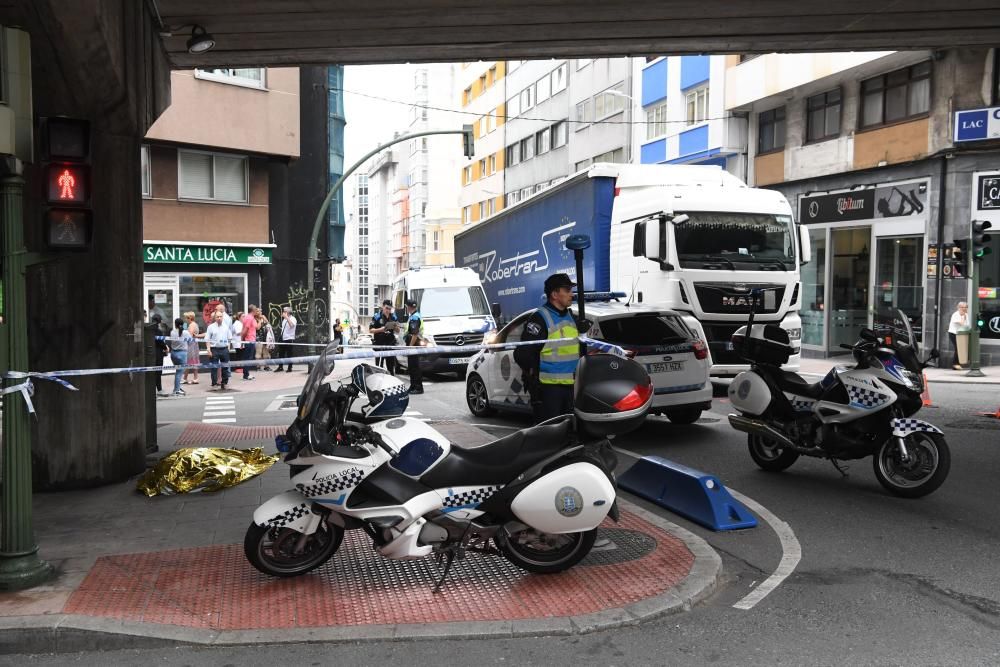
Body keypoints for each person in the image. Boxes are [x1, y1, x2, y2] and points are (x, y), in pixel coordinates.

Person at [513, 273, 581, 423]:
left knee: (567, 435)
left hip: (570, 388)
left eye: (571, 290)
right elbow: (522, 354)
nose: (572, 294)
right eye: (567, 290)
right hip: (548, 391)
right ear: (555, 294)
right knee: (549, 436)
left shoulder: (570, 317)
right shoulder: (540, 318)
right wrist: (533, 375)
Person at [205, 309, 233, 390]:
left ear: (223, 317)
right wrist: (208, 349)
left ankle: (224, 383)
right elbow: (207, 339)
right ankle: (214, 384)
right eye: (217, 317)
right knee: (214, 367)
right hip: (214, 349)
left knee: (225, 367)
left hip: (224, 349)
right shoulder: (210, 327)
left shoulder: (226, 326)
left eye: (220, 316)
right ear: (215, 318)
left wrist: (228, 348)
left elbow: (230, 338)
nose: (219, 318)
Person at [370, 300, 400, 375]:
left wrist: (396, 327)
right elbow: (371, 330)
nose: (388, 310)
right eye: (386, 308)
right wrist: (381, 329)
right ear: (383, 306)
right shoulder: (377, 316)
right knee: (379, 368)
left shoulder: (393, 317)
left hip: (390, 345)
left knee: (391, 368)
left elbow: (398, 331)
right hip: (380, 345)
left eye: (390, 309)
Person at [404, 299, 424, 394]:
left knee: (415, 367)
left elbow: (415, 334)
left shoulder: (414, 317)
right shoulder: (414, 315)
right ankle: (413, 386)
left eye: (406, 307)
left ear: (408, 307)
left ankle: (418, 387)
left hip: (414, 344)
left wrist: (410, 346)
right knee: (412, 367)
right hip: (414, 343)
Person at [168, 317, 192, 396]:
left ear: (175, 324)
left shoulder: (172, 332)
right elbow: (190, 341)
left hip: (173, 354)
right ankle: (176, 390)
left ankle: (177, 387)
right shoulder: (185, 332)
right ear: (183, 324)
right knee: (179, 372)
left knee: (178, 372)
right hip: (182, 354)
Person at [150, 313, 170, 396]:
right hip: (158, 354)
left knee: (151, 372)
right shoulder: (158, 331)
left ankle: (152, 390)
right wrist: (166, 347)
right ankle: (159, 389)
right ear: (159, 321)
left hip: (150, 354)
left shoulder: (148, 330)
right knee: (158, 372)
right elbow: (160, 342)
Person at [948, 301, 971, 370]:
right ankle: (955, 364)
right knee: (958, 348)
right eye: (962, 307)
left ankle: (958, 363)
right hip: (954, 333)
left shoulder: (966, 315)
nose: (964, 309)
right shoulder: (956, 314)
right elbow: (962, 323)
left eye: (966, 307)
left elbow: (968, 325)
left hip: (961, 334)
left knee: (961, 348)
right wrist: (963, 317)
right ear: (958, 307)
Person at [182, 311, 202, 385]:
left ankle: (186, 378)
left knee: (189, 361)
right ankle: (194, 378)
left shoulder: (191, 325)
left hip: (191, 345)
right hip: (194, 344)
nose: (185, 320)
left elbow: (189, 336)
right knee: (194, 361)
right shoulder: (195, 324)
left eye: (186, 318)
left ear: (189, 318)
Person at [239, 306, 258, 380]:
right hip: (249, 340)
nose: (257, 311)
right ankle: (246, 375)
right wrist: (242, 341)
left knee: (247, 357)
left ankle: (246, 374)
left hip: (249, 340)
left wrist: (242, 341)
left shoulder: (249, 317)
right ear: (253, 310)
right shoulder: (249, 318)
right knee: (248, 358)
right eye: (256, 309)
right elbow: (245, 330)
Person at [275, 306, 297, 372]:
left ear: (288, 312)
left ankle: (290, 368)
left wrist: (287, 317)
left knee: (289, 354)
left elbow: (292, 326)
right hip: (283, 338)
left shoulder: (293, 318)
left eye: (284, 311)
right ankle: (280, 367)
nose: (283, 313)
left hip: (289, 338)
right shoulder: (284, 320)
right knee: (281, 353)